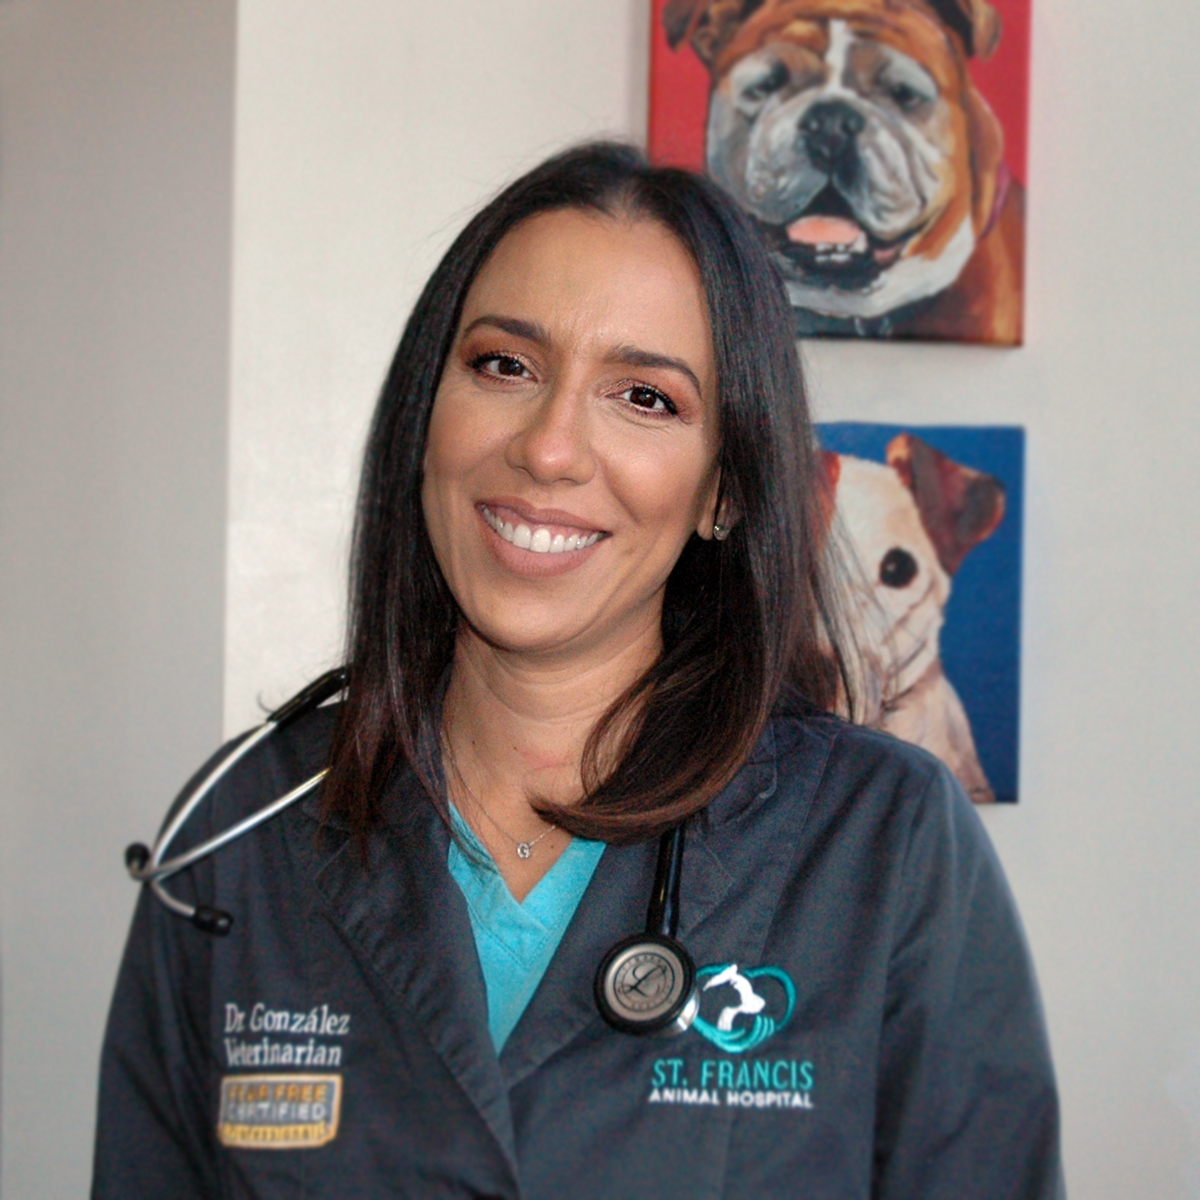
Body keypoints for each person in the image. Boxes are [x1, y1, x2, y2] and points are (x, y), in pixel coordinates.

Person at [93, 142, 1063, 1198]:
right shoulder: (239, 840)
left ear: (723, 491)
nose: (551, 449)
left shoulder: (884, 844)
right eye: (504, 366)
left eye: (645, 397)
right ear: (426, 416)